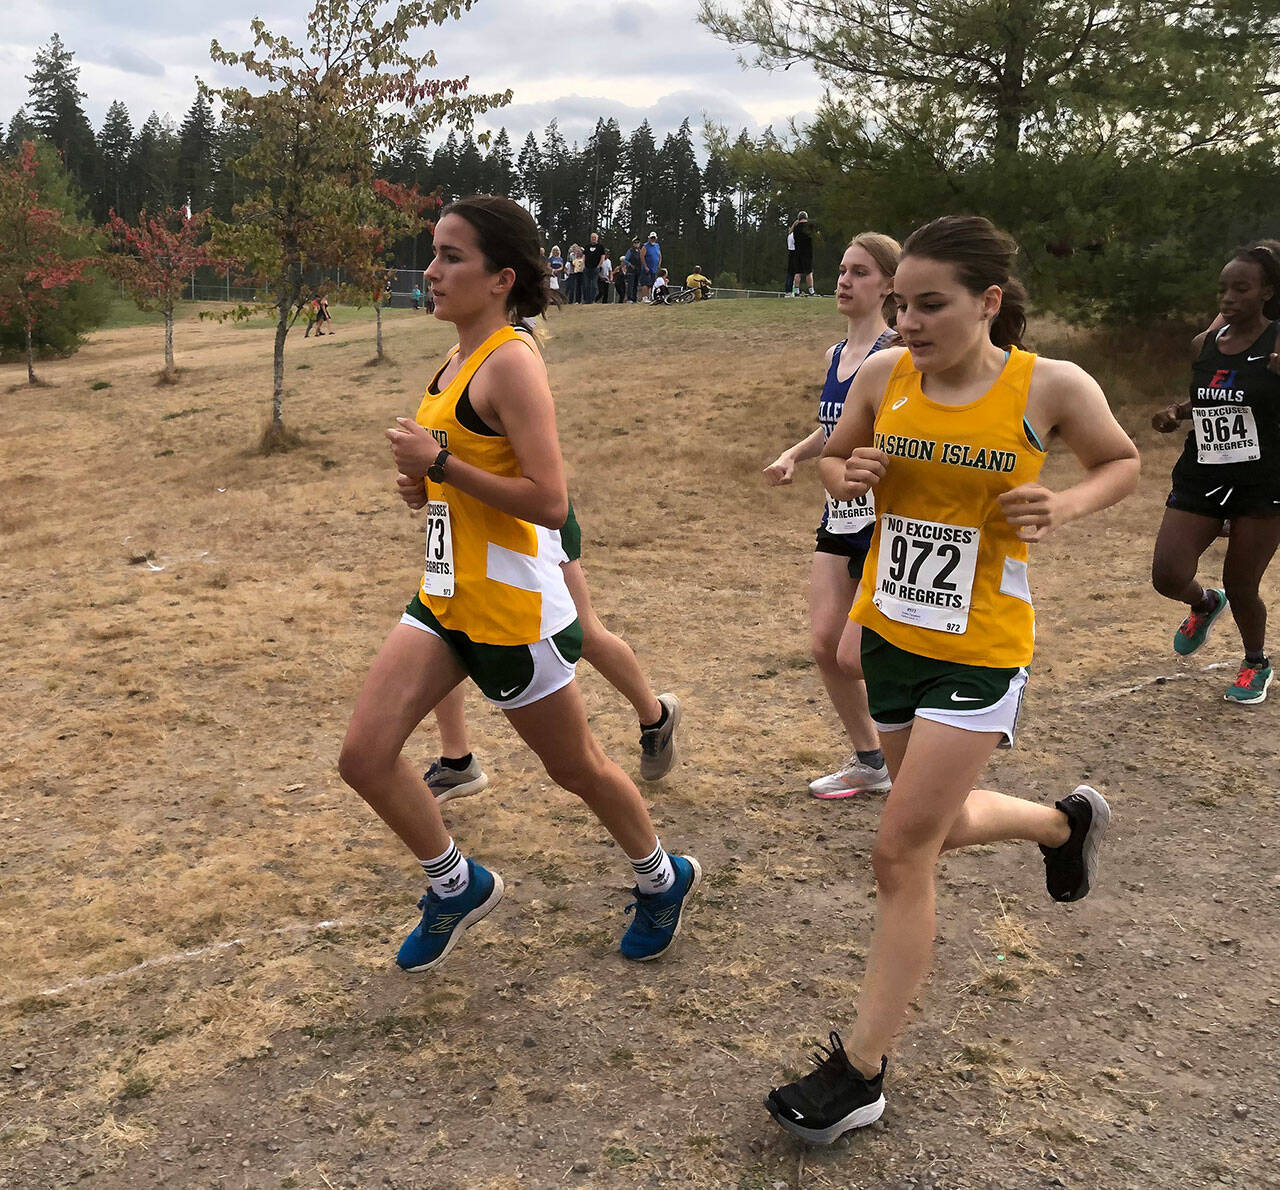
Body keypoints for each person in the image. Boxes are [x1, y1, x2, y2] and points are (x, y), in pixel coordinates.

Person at [764, 214, 1139, 1144]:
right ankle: (1062, 822)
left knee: (898, 851)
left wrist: (1066, 500)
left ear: (989, 303)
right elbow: (838, 462)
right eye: (899, 306)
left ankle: (860, 1073)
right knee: (933, 826)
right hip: (890, 631)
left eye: (930, 305)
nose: (909, 324)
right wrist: (845, 477)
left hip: (981, 645)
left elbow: (1122, 462)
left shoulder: (1047, 385)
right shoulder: (885, 374)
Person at [338, 196, 701, 973]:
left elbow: (549, 500)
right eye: (434, 254)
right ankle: (455, 884)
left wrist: (440, 466)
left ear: (502, 278)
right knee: (364, 756)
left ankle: (661, 878)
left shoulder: (511, 361)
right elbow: (465, 478)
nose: (431, 272)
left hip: (511, 610)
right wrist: (427, 490)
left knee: (577, 770)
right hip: (445, 597)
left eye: (451, 257)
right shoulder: (454, 360)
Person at [425, 494, 683, 800]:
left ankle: (655, 716)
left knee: (584, 632)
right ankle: (457, 760)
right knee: (445, 628)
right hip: (459, 514)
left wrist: (441, 462)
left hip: (524, 516)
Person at [763, 233, 901, 799]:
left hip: (885, 520)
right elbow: (836, 429)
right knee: (825, 645)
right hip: (837, 514)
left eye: (861, 273)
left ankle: (936, 735)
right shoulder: (835, 356)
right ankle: (872, 761)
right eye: (843, 271)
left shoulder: (897, 355)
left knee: (858, 652)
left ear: (891, 285)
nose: (844, 281)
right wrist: (796, 454)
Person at [1150, 242, 1280, 704]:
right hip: (1203, 473)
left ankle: (1255, 663)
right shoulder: (1205, 345)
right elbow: (1215, 396)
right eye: (1223, 288)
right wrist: (1177, 412)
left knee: (1242, 582)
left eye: (1241, 288)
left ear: (1266, 292)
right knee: (1167, 573)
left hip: (1263, 481)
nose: (1227, 297)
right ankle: (1203, 604)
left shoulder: (1277, 344)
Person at [791, 213, 815, 296]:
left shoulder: (796, 228)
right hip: (807, 252)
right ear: (806, 217)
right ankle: (811, 291)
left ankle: (796, 291)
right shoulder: (810, 226)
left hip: (797, 252)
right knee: (809, 272)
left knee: (798, 272)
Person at [583, 233, 604, 304]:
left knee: (594, 285)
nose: (593, 238)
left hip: (595, 268)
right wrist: (583, 265)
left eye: (595, 237)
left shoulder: (600, 247)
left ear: (597, 238)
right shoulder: (587, 246)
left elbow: (602, 257)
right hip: (587, 268)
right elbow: (584, 256)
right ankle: (586, 300)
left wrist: (599, 266)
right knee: (586, 285)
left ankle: (592, 300)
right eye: (592, 237)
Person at [641, 232, 661, 302]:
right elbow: (642, 256)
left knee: (652, 283)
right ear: (649, 238)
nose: (653, 239)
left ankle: (651, 296)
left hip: (654, 268)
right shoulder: (645, 246)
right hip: (647, 268)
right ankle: (644, 297)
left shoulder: (657, 245)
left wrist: (659, 264)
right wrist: (645, 266)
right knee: (645, 283)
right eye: (651, 238)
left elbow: (659, 256)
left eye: (654, 238)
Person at [624, 239, 644, 303]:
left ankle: (634, 298)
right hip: (631, 270)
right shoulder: (630, 251)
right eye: (635, 243)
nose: (636, 244)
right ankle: (629, 299)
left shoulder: (640, 251)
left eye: (638, 243)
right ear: (633, 244)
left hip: (638, 270)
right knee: (630, 285)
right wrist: (630, 265)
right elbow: (625, 260)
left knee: (636, 285)